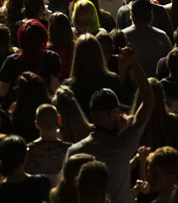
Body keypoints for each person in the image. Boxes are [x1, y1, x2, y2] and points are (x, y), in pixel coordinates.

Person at [65, 44, 155, 203]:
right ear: (111, 115)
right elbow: (148, 102)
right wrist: (134, 64)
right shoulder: (122, 146)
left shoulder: (74, 151)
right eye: (118, 113)